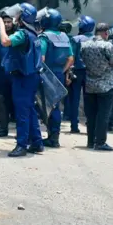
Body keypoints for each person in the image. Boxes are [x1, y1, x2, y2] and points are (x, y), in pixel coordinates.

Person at [0, 3, 44, 157]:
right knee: (29, 109)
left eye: (17, 15)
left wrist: (0, 24)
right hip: (31, 76)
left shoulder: (22, 34)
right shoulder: (33, 32)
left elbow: (5, 42)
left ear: (23, 17)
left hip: (22, 77)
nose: (14, 18)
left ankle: (22, 145)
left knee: (22, 111)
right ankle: (36, 142)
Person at [79, 23, 113, 150]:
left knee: (91, 115)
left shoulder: (85, 45)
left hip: (90, 85)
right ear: (106, 32)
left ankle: (90, 142)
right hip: (106, 85)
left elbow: (82, 60)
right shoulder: (108, 45)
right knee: (103, 115)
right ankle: (100, 142)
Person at [38, 8, 74, 148]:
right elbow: (70, 59)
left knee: (43, 105)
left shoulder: (44, 37)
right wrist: (62, 71)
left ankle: (50, 138)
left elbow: (41, 58)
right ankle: (55, 136)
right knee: (56, 106)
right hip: (59, 74)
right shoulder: (65, 37)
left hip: (46, 74)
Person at [67, 15, 95, 133]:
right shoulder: (96, 39)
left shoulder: (76, 39)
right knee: (90, 99)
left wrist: (68, 72)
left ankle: (74, 125)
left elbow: (71, 57)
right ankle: (90, 124)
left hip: (77, 72)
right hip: (91, 73)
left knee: (75, 99)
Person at [0, 10, 16, 137]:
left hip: (15, 73)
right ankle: (3, 127)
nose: (7, 24)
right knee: (1, 100)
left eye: (9, 22)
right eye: (5, 22)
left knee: (17, 101)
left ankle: (20, 129)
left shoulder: (17, 35)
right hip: (0, 74)